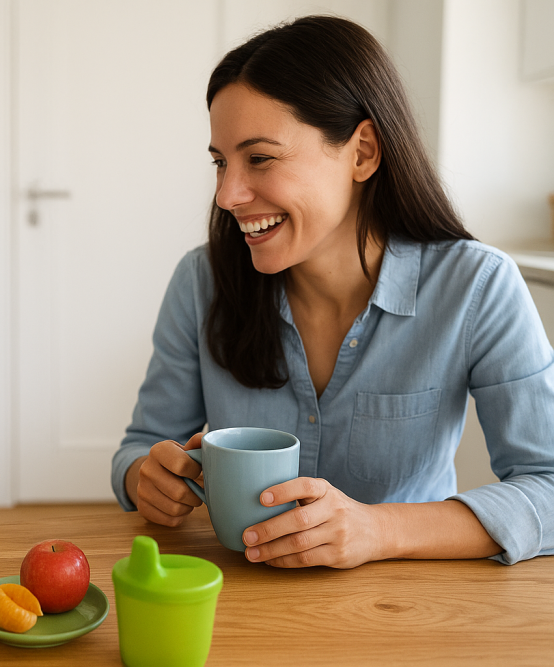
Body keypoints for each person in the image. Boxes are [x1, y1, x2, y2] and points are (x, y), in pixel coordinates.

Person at [111, 15, 554, 568]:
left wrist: (378, 529)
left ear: (362, 152)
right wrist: (145, 476)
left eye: (260, 158)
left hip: (409, 613)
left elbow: (549, 485)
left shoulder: (477, 287)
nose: (227, 194)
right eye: (221, 163)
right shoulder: (201, 282)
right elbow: (141, 446)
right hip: (236, 601)